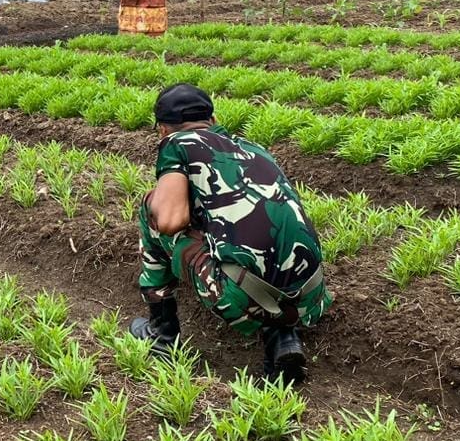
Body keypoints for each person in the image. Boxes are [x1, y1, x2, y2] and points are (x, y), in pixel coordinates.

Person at [131, 83, 331, 383]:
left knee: (151, 208)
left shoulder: (176, 144)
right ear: (213, 120)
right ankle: (281, 335)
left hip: (241, 297)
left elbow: (171, 221)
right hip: (309, 298)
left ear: (162, 129)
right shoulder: (253, 148)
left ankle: (162, 333)